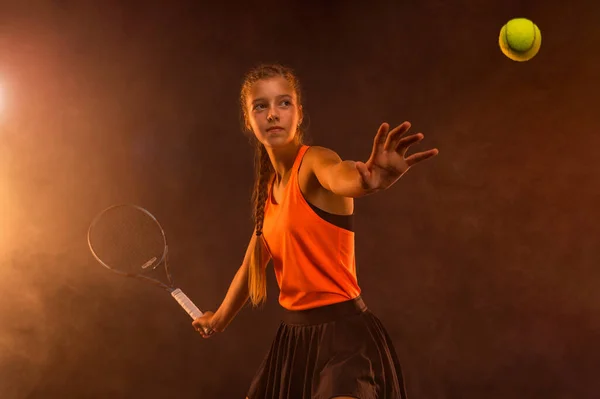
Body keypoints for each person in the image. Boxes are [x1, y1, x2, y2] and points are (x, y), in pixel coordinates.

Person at [192, 64, 439, 399]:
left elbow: (341, 176)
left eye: (284, 103)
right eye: (260, 106)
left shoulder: (314, 163)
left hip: (345, 340)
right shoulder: (269, 191)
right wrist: (217, 319)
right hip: (293, 342)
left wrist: (368, 181)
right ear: (248, 121)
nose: (273, 114)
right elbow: (250, 265)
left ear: (298, 112)